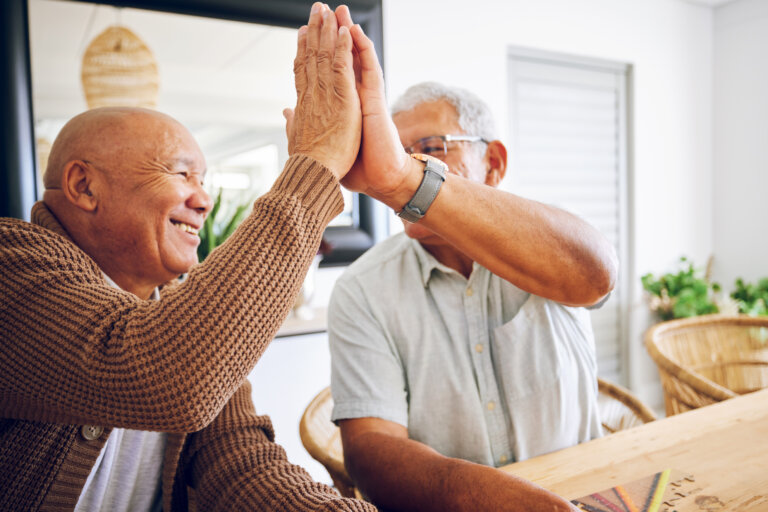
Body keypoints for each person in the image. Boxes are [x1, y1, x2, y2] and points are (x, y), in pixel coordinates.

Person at [0, 4, 379, 511]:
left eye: (203, 179)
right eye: (181, 174)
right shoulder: (11, 262)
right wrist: (314, 167)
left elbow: (243, 466)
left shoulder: (179, 308)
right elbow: (160, 375)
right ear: (83, 186)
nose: (203, 200)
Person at [328, 81, 618, 512]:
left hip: (589, 495)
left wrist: (412, 182)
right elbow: (370, 448)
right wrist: (476, 496)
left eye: (430, 147)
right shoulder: (362, 288)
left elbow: (596, 277)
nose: (405, 167)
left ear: (494, 163)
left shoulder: (544, 242)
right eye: (394, 152)